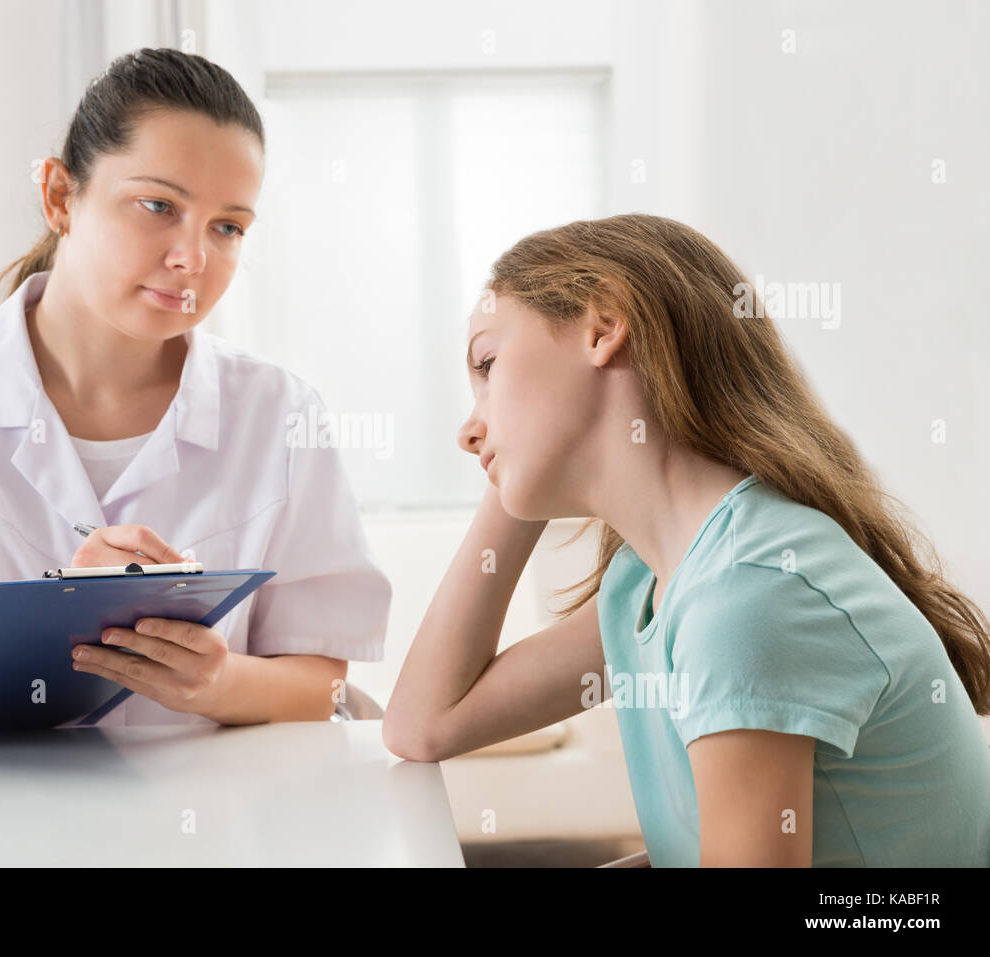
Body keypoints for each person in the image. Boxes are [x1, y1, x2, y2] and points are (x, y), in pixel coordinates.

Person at [0, 48, 391, 737]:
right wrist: (60, 617)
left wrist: (218, 679)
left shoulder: (280, 413)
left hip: (209, 824)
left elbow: (321, 683)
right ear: (61, 197)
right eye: (157, 206)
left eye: (227, 227)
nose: (192, 259)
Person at [384, 213, 990, 867]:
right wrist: (516, 465)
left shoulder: (751, 590)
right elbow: (425, 722)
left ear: (603, 326)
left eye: (488, 363)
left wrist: (527, 446)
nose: (466, 429)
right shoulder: (648, 582)